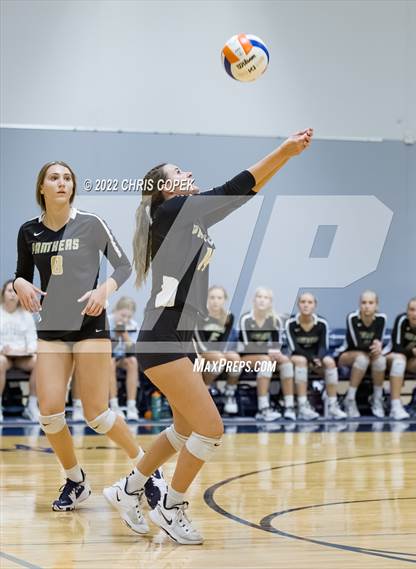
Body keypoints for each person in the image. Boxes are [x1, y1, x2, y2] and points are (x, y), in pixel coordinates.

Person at [104, 128, 314, 545]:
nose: (189, 173)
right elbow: (233, 187)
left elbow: (241, 195)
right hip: (162, 338)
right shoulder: (172, 211)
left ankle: (128, 489)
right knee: (211, 428)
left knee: (184, 430)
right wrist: (283, 151)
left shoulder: (191, 218)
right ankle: (171, 506)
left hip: (177, 339)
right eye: (179, 172)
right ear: (166, 189)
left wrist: (285, 160)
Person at [13, 161, 165, 523]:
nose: (61, 183)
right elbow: (21, 274)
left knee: (96, 413)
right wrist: (19, 284)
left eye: (67, 178)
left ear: (72, 187)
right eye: (54, 178)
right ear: (42, 188)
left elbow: (124, 266)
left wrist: (103, 291)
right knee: (49, 414)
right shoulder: (29, 231)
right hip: (51, 327)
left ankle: (148, 470)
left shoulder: (91, 223)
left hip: (89, 324)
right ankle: (75, 480)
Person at [286, 292, 346, 420]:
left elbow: (324, 346)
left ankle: (332, 405)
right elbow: (294, 348)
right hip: (298, 357)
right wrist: (312, 359)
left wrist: (319, 358)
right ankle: (303, 406)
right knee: (301, 360)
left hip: (316, 358)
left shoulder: (322, 323)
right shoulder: (290, 323)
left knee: (329, 362)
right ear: (298, 305)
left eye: (309, 302)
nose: (306, 305)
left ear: (315, 305)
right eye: (303, 302)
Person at [239, 287, 294, 421]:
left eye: (266, 298)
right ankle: (263, 409)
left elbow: (277, 344)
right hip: (246, 357)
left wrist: (276, 353)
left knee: (286, 362)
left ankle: (289, 406)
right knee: (265, 361)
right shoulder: (246, 318)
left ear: (270, 302)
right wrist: (269, 352)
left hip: (266, 356)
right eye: (259, 297)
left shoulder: (275, 320)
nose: (262, 300)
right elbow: (248, 346)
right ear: (254, 300)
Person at [339, 290, 387, 418]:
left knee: (381, 360)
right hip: (347, 355)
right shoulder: (352, 318)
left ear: (376, 305)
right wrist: (375, 348)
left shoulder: (381, 319)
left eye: (371, 303)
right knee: (362, 359)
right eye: (364, 302)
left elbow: (378, 341)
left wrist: (377, 347)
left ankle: (377, 399)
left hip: (369, 355)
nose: (367, 306)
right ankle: (350, 399)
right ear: (359, 304)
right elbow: (357, 343)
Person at [194, 286, 240, 414]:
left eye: (219, 298)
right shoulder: (199, 315)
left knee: (235, 358)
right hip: (200, 352)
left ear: (224, 300)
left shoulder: (228, 317)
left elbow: (225, 340)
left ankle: (229, 393)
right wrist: (216, 354)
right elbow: (200, 343)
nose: (216, 301)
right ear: (207, 299)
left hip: (219, 352)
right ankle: (205, 390)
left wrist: (220, 353)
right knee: (219, 359)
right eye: (212, 297)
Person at [0, 279, 39, 421]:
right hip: (4, 357)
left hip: (22, 357)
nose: (12, 294)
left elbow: (33, 340)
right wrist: (2, 349)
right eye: (9, 291)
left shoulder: (26, 315)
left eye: (15, 292)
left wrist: (27, 349)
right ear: (3, 293)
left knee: (40, 361)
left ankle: (32, 406)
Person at [385, 297, 416, 420]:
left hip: (410, 361)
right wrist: (413, 351)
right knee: (400, 360)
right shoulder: (402, 320)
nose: (414, 314)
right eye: (412, 310)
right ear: (407, 311)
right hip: (391, 357)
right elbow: (397, 348)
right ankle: (395, 406)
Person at [108, 296, 140, 421]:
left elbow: (132, 352)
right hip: (107, 357)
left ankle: (131, 405)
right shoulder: (107, 321)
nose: (125, 319)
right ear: (116, 311)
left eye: (129, 317)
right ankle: (114, 405)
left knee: (133, 362)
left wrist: (125, 335)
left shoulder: (133, 325)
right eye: (123, 315)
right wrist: (116, 335)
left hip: (122, 358)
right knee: (110, 362)